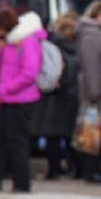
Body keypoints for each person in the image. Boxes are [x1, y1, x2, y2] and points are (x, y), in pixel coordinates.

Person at [0, 8, 46, 192]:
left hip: (21, 99)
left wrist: (7, 88)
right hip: (7, 99)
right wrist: (0, 48)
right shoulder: (10, 43)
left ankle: (21, 183)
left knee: (17, 142)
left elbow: (29, 72)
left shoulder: (27, 42)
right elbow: (2, 65)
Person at [37, 13, 81, 180]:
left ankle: (54, 170)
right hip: (73, 96)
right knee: (73, 136)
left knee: (52, 137)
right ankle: (77, 169)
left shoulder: (51, 47)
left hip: (53, 98)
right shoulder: (79, 48)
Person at [78, 0, 101, 183]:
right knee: (92, 134)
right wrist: (94, 92)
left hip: (95, 93)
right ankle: (91, 172)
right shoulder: (91, 36)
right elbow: (91, 67)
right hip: (96, 95)